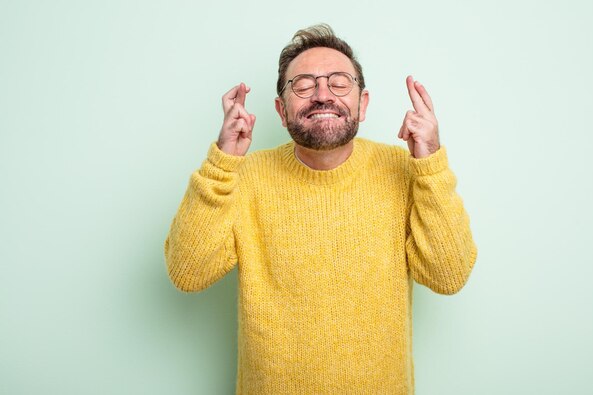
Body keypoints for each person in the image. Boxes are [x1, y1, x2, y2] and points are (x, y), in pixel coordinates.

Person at [164, 24, 477, 394]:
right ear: (282, 111)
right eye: (304, 84)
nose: (322, 94)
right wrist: (222, 165)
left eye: (340, 82)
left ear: (363, 104)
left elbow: (448, 276)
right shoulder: (242, 176)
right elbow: (188, 273)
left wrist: (431, 163)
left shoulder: (407, 171)